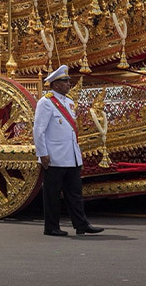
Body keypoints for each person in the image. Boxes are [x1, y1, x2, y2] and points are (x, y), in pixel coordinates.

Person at [33, 65, 102, 236]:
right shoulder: (46, 102)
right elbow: (38, 130)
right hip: (54, 156)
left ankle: (81, 224)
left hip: (71, 155)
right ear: (55, 84)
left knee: (75, 193)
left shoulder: (69, 102)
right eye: (65, 81)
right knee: (52, 194)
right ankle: (51, 226)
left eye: (68, 81)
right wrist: (42, 154)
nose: (69, 84)